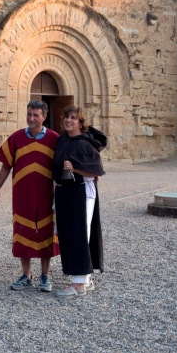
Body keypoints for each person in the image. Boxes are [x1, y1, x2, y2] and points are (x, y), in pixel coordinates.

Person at [0, 100, 60, 292]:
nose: (31, 118)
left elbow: (64, 167)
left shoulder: (55, 139)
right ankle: (26, 275)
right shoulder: (17, 138)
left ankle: (45, 276)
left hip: (46, 194)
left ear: (44, 117)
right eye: (29, 114)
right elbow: (6, 165)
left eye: (35, 115)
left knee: (46, 232)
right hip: (23, 194)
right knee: (23, 231)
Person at [51, 105, 107, 298]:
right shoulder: (63, 140)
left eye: (73, 118)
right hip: (65, 192)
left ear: (81, 122)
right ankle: (86, 279)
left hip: (81, 193)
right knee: (68, 235)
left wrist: (75, 169)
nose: (69, 121)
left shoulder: (85, 144)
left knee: (79, 235)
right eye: (66, 117)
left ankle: (78, 284)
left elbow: (96, 171)